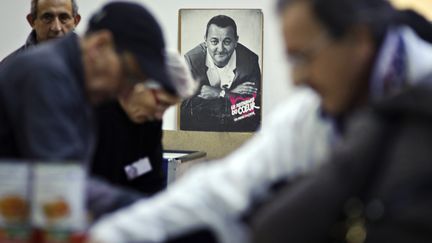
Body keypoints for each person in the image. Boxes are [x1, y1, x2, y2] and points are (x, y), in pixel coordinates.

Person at [88, 1, 432, 243]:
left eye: (304, 57)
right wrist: (109, 236)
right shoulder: (311, 114)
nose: (297, 78)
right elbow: (224, 187)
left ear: (358, 39)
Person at [0, 1, 180, 216]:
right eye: (128, 74)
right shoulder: (46, 74)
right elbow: (59, 181)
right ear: (100, 45)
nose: (128, 89)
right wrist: (151, 212)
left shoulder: (77, 82)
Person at [91, 51, 197, 195]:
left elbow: (151, 175)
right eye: (161, 103)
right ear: (140, 84)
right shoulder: (94, 111)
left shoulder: (150, 121)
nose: (160, 115)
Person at [180, 15, 262, 132]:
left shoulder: (250, 61)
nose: (220, 49)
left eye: (227, 41)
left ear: (236, 41)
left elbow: (254, 108)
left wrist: (220, 93)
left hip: (238, 131)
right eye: (214, 41)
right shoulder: (191, 61)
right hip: (201, 130)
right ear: (206, 40)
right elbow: (185, 109)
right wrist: (232, 94)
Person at [1, 0, 81, 64]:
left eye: (64, 18)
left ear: (76, 21)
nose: (57, 28)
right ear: (32, 21)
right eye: (47, 18)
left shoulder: (91, 63)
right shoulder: (9, 67)